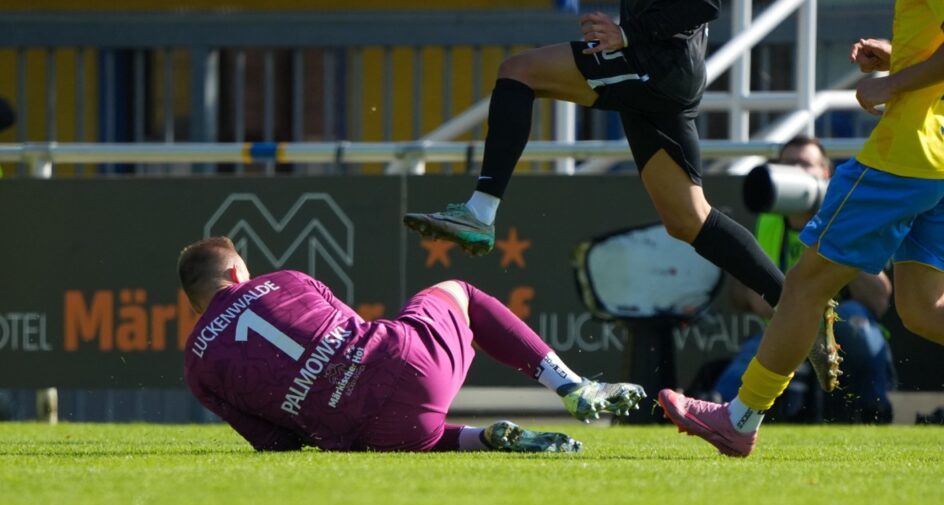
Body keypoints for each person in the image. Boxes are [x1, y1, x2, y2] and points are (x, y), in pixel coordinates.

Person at [402, 1, 840, 391]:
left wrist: (627, 33)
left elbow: (704, 5)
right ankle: (802, 314)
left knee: (519, 71)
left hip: (654, 64)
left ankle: (481, 211)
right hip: (661, 69)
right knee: (689, 219)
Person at [660, 0, 944, 457]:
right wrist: (903, 57)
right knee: (926, 307)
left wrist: (889, 84)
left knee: (804, 287)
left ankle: (738, 419)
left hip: (909, 153)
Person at [178, 237, 645, 453]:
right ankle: (572, 386)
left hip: (368, 433)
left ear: (197, 307)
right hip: (409, 366)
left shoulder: (196, 368)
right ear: (238, 272)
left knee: (379, 428)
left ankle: (481, 442)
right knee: (459, 290)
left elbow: (275, 442)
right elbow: (350, 328)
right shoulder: (284, 279)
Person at [713, 136, 897, 424]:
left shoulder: (846, 216)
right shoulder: (768, 219)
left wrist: (838, 232)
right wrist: (757, 295)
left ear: (826, 175)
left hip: (844, 330)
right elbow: (736, 295)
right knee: (745, 365)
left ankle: (874, 411)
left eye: (804, 164)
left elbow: (878, 299)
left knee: (857, 322)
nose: (796, 172)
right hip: (783, 328)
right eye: (788, 164)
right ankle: (720, 414)